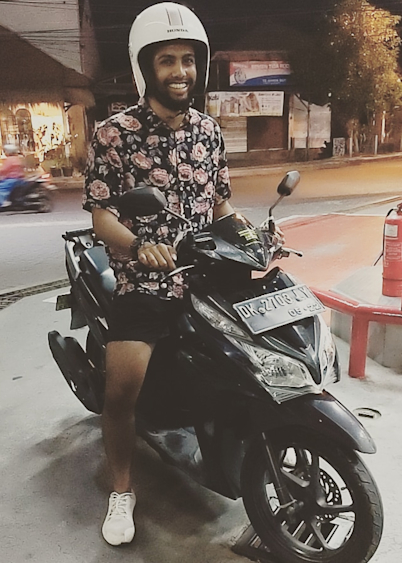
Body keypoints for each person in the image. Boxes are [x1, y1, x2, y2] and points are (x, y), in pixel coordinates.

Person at [83, 1, 271, 546]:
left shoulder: (209, 131)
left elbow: (220, 205)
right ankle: (122, 489)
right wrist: (141, 246)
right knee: (122, 391)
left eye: (188, 60)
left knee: (259, 358)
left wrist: (254, 236)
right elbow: (101, 216)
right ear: (146, 67)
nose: (180, 71)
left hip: (210, 277)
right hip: (146, 283)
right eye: (167, 60)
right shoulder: (114, 134)